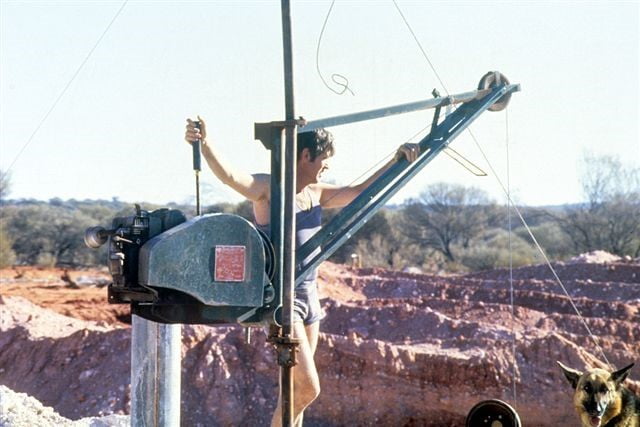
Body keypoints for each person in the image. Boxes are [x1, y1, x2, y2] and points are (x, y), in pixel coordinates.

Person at [184, 116, 420, 426]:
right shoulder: (269, 189)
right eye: (324, 159)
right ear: (306, 155)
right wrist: (206, 144)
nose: (326, 167)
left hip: (310, 297)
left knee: (295, 391)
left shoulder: (316, 193)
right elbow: (230, 176)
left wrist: (398, 161)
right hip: (283, 298)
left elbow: (362, 190)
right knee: (308, 387)